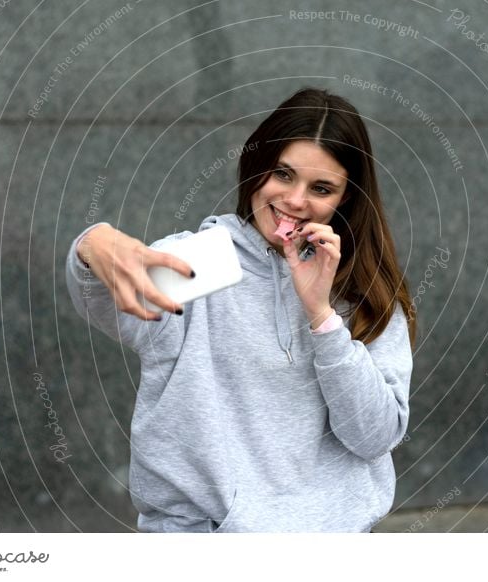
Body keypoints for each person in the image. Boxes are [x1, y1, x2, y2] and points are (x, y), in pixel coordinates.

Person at [66, 87, 416, 532]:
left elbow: (374, 437)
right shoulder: (202, 262)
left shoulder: (364, 290)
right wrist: (91, 245)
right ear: (257, 168)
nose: (295, 199)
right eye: (283, 174)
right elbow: (105, 297)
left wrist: (322, 316)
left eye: (321, 188)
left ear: (344, 199)